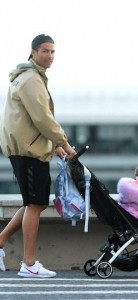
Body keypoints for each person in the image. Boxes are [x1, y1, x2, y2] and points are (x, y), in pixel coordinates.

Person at [0, 34, 76, 277]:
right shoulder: (31, 79)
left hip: (27, 147)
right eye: (45, 51)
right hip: (28, 151)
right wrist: (64, 142)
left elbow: (31, 120)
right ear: (32, 52)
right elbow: (43, 118)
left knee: (33, 202)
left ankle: (0, 242)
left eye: (53, 52)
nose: (50, 56)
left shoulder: (29, 77)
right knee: (35, 204)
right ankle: (29, 264)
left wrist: (56, 147)